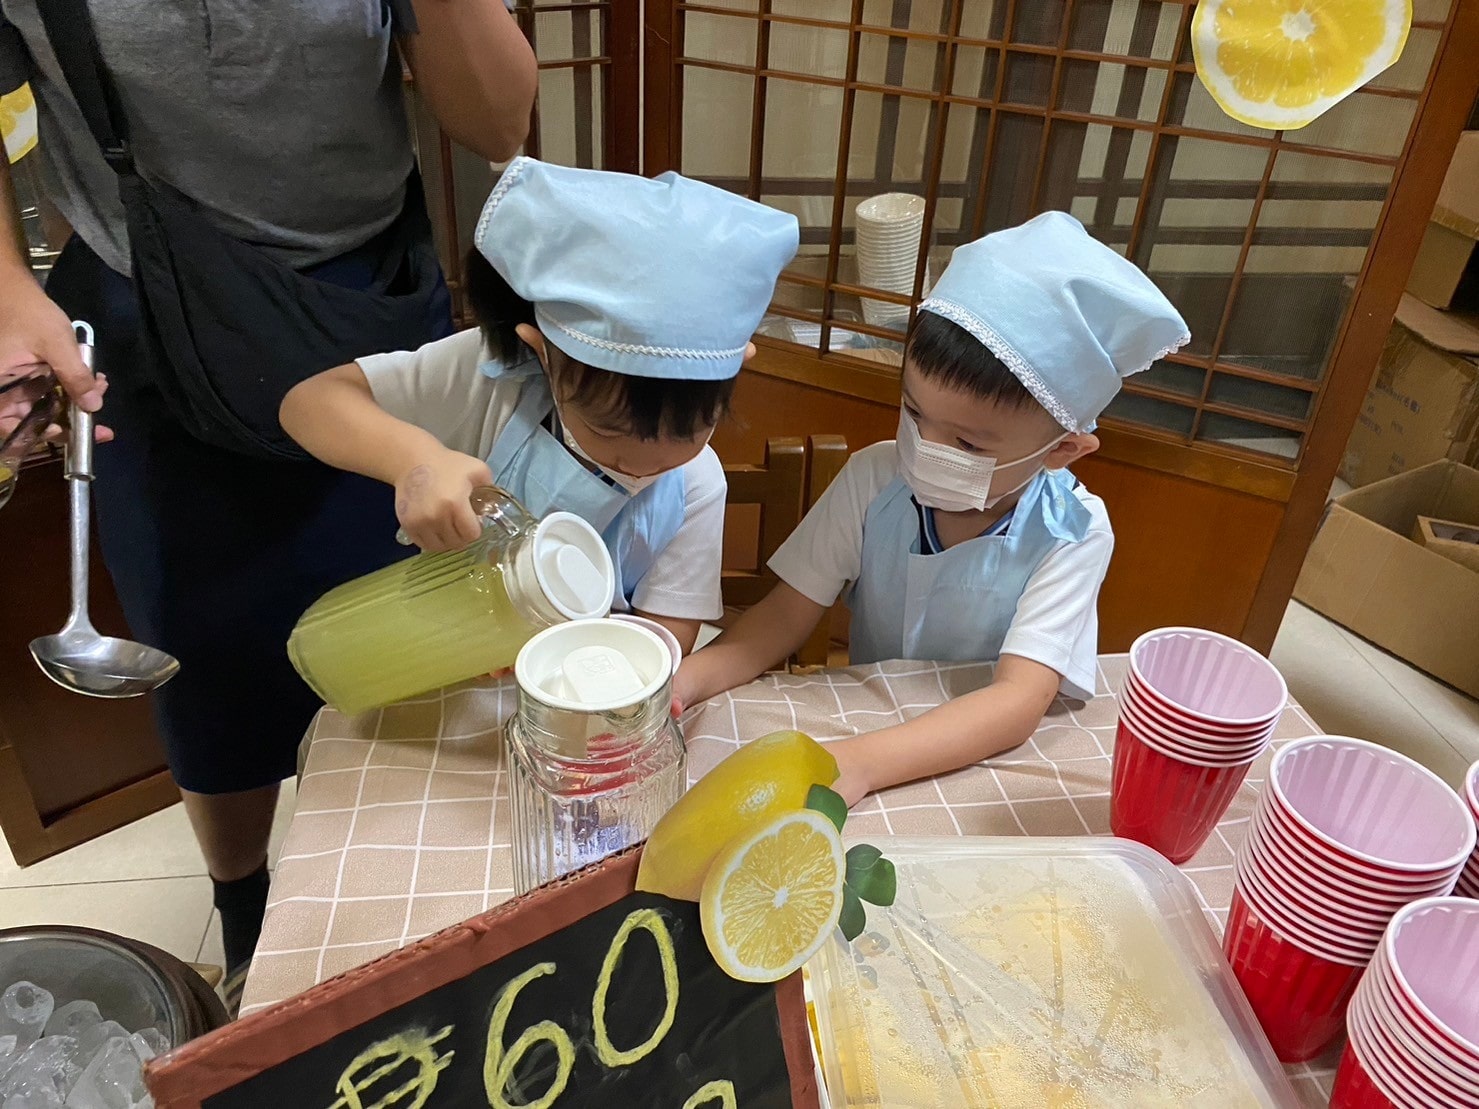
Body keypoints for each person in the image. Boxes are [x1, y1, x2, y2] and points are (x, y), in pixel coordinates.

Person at [0, 1, 538, 990]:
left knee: (423, 626)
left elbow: (500, 122)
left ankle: (398, 904)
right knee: (207, 654)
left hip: (366, 294)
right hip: (149, 303)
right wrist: (6, 284)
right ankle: (245, 911)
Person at [676, 211, 1190, 805]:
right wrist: (682, 683)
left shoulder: (1072, 533)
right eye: (914, 414)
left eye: (969, 444)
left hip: (973, 762)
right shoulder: (875, 477)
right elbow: (784, 616)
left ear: (1063, 451)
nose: (925, 448)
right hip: (869, 723)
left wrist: (862, 765)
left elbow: (1017, 701)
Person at [281, 157, 800, 653]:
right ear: (543, 354)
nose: (643, 462)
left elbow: (669, 628)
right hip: (441, 646)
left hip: (584, 679)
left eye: (687, 432)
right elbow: (310, 402)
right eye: (609, 427)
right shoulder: (488, 380)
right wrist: (415, 459)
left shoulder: (697, 485)